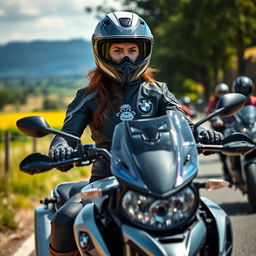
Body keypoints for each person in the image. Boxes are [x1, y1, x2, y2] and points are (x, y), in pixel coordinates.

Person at [47, 11, 224, 256]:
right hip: (106, 180)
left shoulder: (158, 92)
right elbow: (67, 134)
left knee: (210, 216)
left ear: (143, 51)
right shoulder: (88, 97)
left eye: (132, 50)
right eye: (117, 51)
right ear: (102, 52)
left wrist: (202, 133)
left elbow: (183, 122)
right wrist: (60, 148)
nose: (126, 58)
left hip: (158, 180)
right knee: (64, 220)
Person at [205, 83, 231, 181]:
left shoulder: (232, 99)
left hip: (234, 126)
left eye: (224, 92)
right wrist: (215, 120)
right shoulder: (214, 102)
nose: (222, 94)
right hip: (220, 128)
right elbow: (208, 112)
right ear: (216, 93)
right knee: (223, 150)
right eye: (220, 92)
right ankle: (227, 171)